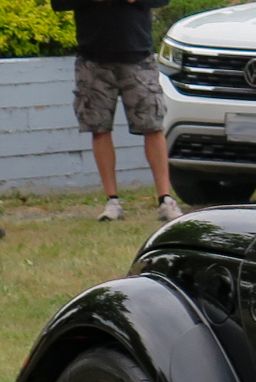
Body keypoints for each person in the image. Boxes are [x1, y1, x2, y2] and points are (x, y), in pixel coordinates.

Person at [51, 0, 181, 223]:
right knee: (99, 128)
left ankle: (165, 200)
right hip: (93, 58)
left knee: (153, 126)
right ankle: (112, 201)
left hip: (138, 56)